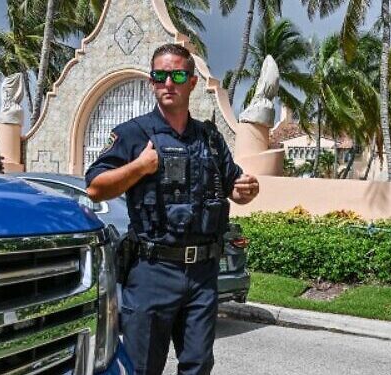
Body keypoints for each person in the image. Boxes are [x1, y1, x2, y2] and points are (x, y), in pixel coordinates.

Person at [85, 43, 259, 375]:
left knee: (197, 366)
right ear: (152, 82)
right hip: (152, 270)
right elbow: (95, 188)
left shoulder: (209, 138)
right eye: (160, 75)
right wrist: (139, 166)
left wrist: (247, 190)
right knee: (142, 367)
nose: (168, 83)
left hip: (202, 275)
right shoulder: (134, 134)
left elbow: (236, 186)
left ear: (192, 82)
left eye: (178, 75)